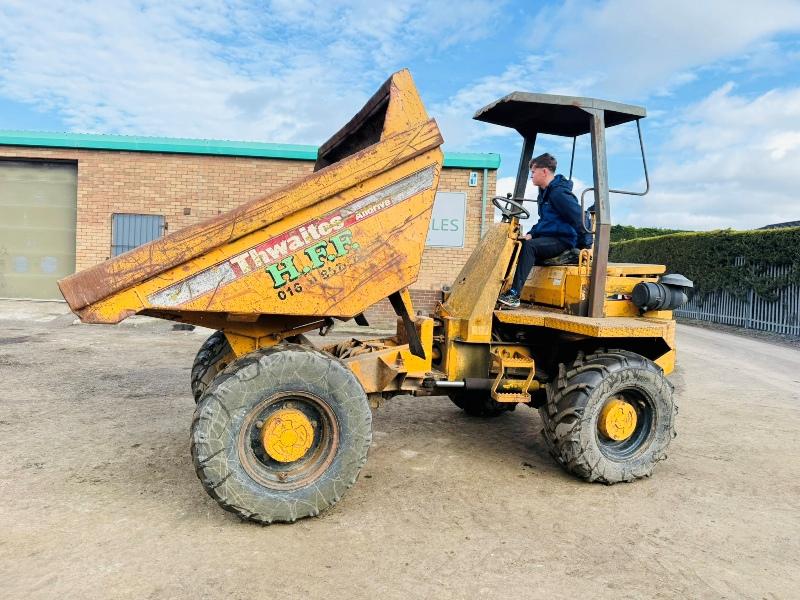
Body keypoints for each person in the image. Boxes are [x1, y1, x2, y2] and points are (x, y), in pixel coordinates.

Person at [498, 153, 583, 308]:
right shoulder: (544, 193)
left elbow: (580, 218)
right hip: (550, 238)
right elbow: (544, 221)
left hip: (562, 240)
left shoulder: (559, 194)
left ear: (544, 171)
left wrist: (585, 248)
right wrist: (531, 234)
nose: (531, 176)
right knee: (519, 244)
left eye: (533, 172)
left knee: (530, 247)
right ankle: (502, 288)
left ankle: (514, 295)